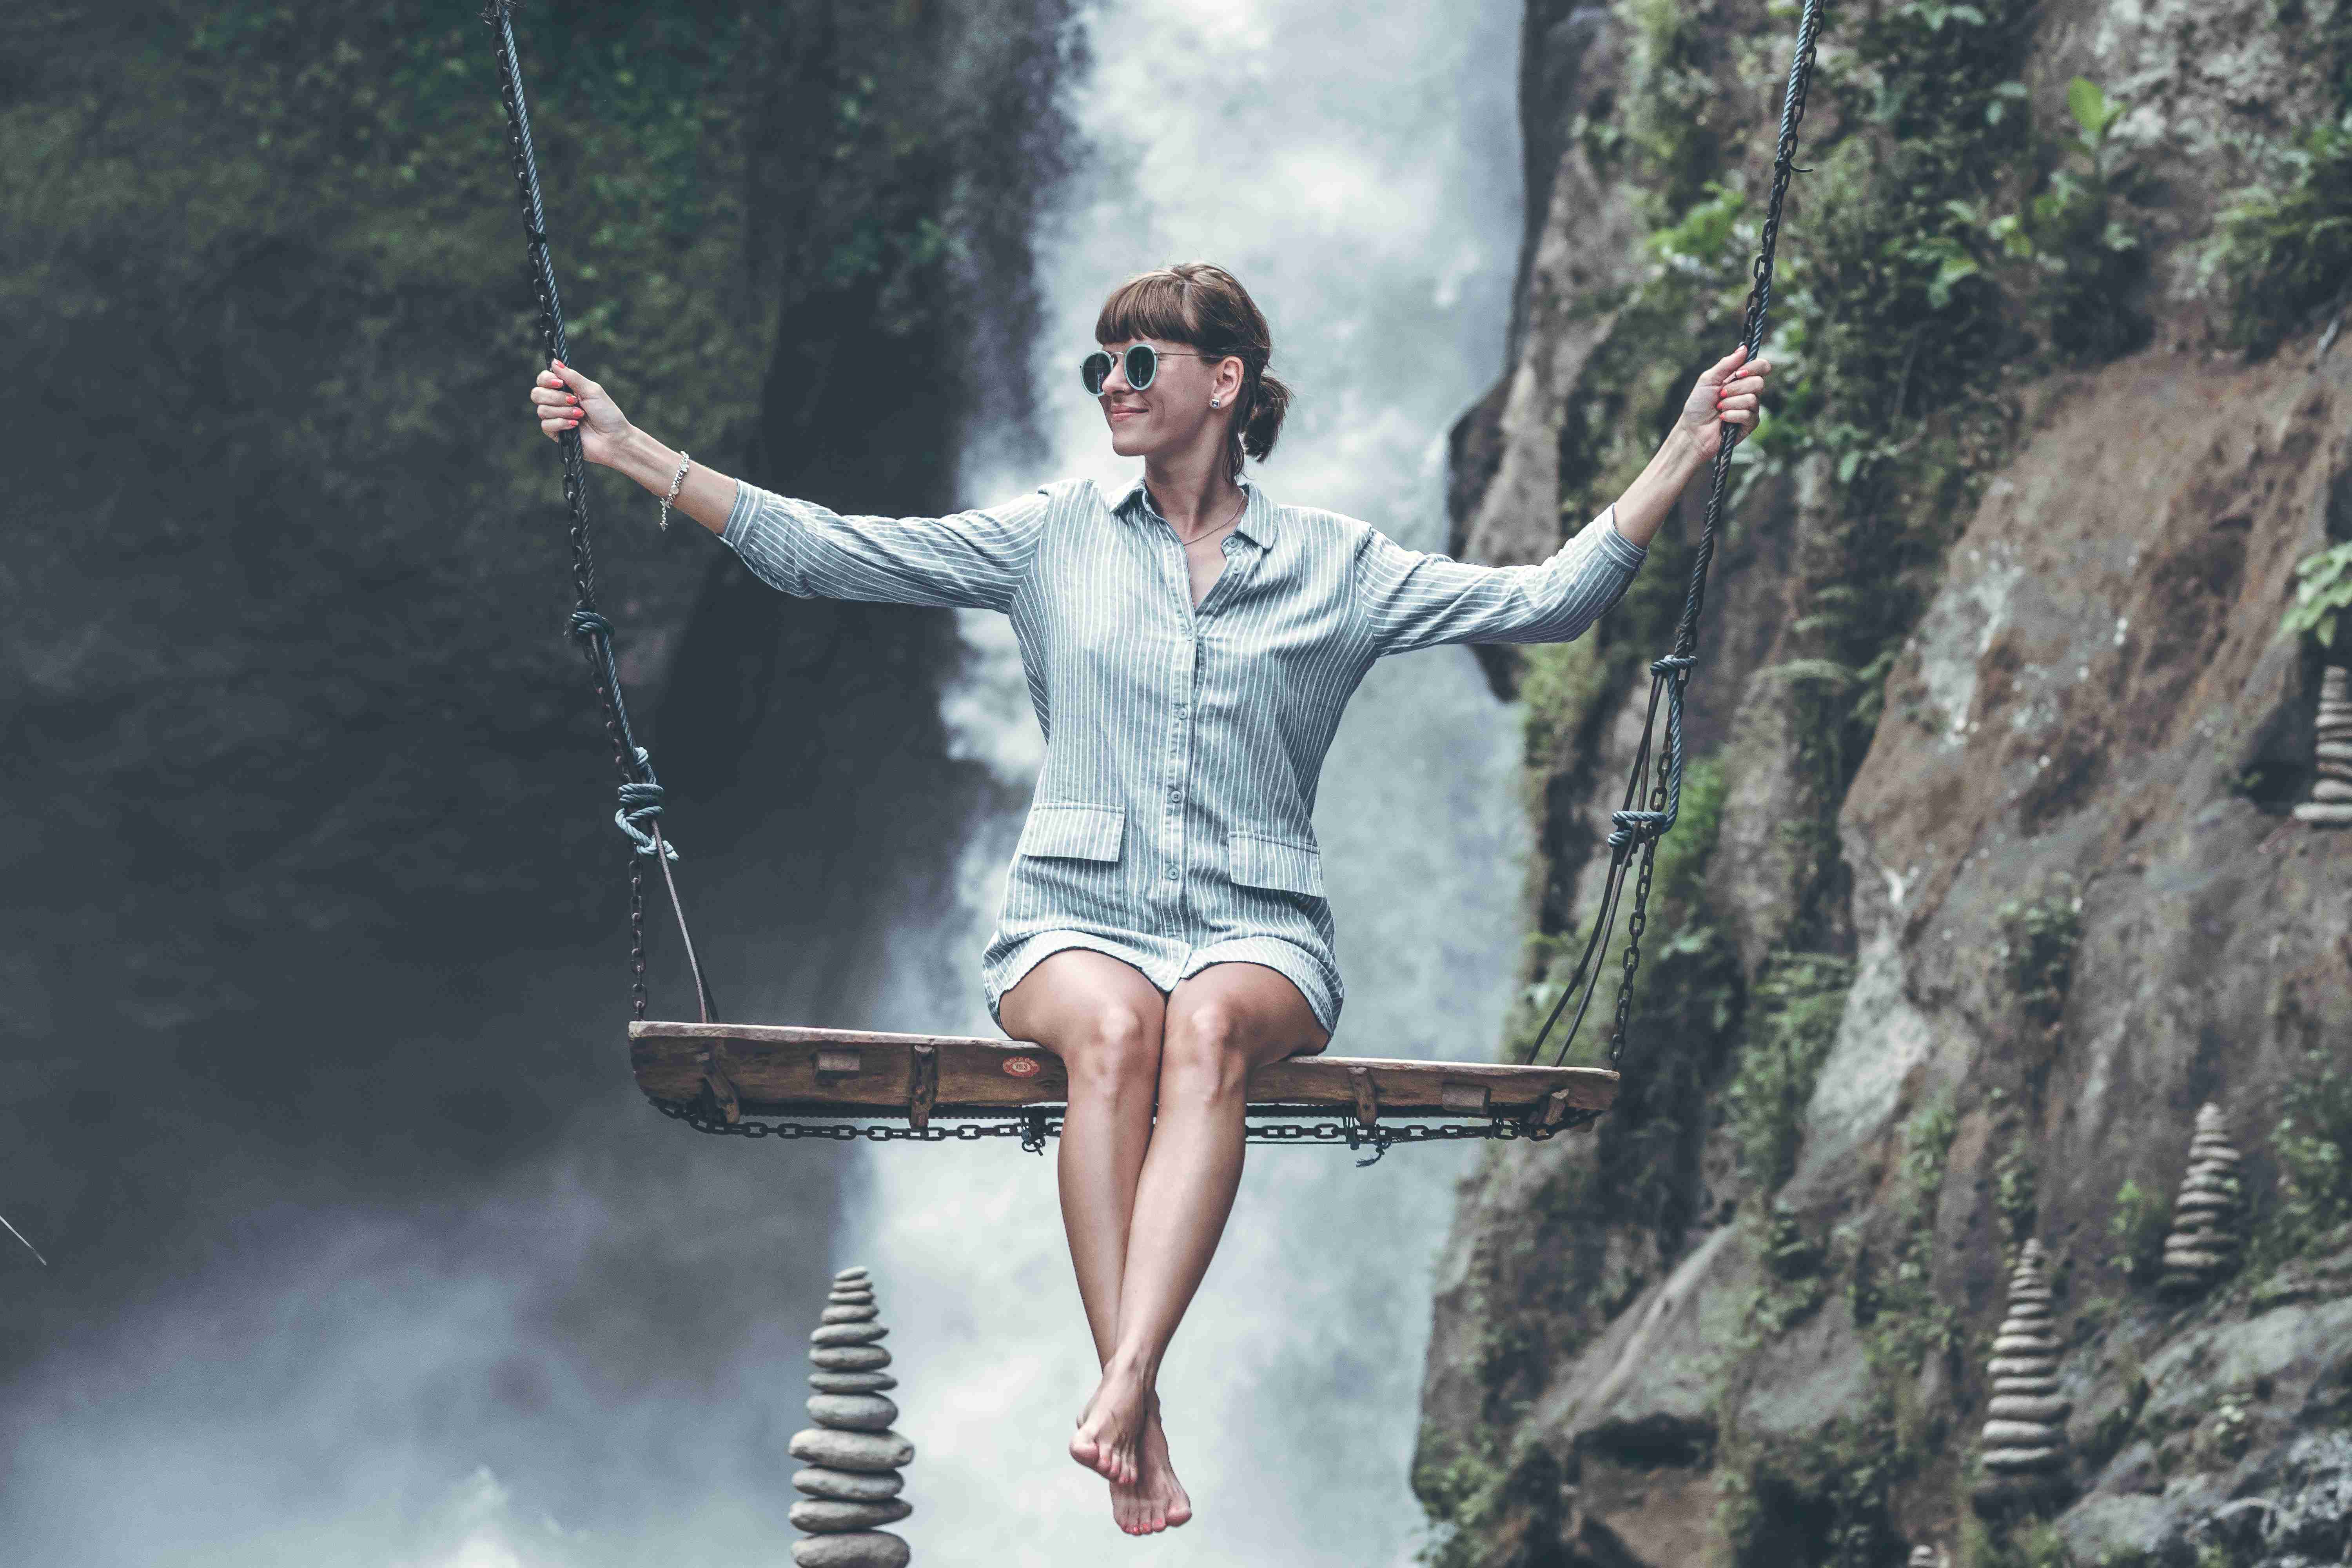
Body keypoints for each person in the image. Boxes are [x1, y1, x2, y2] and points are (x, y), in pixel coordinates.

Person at [524, 261, 1769, 1536]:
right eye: (1099, 365)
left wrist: (1683, 446)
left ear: (1223, 385)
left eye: (1140, 363)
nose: (1111, 387)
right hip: (1070, 919)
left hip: (1262, 929)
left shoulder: (1339, 566)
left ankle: (1122, 1382)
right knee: (1118, 1034)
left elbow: (1548, 602)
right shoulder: (1051, 535)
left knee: (1208, 1030)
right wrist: (630, 450)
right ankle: (1142, 1404)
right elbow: (829, 554)